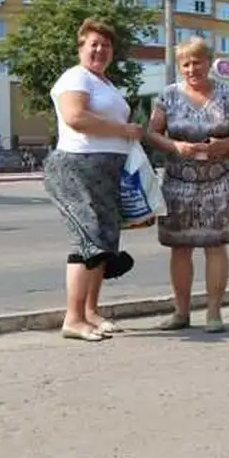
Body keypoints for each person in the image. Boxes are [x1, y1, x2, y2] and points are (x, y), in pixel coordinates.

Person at [43, 19, 143, 342]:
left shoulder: (107, 84)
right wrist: (123, 130)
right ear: (81, 48)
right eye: (93, 44)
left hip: (107, 170)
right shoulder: (75, 77)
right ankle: (73, 319)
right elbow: (76, 117)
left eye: (106, 45)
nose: (100, 50)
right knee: (86, 240)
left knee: (104, 243)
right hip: (77, 166)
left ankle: (90, 312)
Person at [147, 37, 229, 333]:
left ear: (208, 62)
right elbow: (152, 132)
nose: (192, 68)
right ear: (180, 66)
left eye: (197, 62)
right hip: (178, 182)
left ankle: (214, 314)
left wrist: (224, 144)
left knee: (215, 245)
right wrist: (174, 145)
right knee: (179, 248)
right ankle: (181, 313)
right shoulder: (167, 96)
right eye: (186, 63)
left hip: (220, 181)